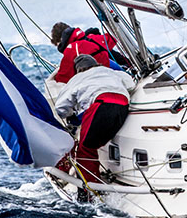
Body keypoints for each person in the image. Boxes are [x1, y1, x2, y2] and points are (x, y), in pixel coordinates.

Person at [54, 54, 134, 185]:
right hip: (123, 106)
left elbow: (60, 107)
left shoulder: (78, 77)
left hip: (101, 105)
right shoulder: (112, 72)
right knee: (95, 143)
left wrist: (70, 114)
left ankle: (91, 188)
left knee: (85, 150)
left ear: (79, 69)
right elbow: (131, 84)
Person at [50, 22, 120, 84]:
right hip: (111, 78)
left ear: (61, 41)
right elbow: (112, 38)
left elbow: (62, 79)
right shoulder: (93, 38)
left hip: (94, 85)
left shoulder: (71, 50)